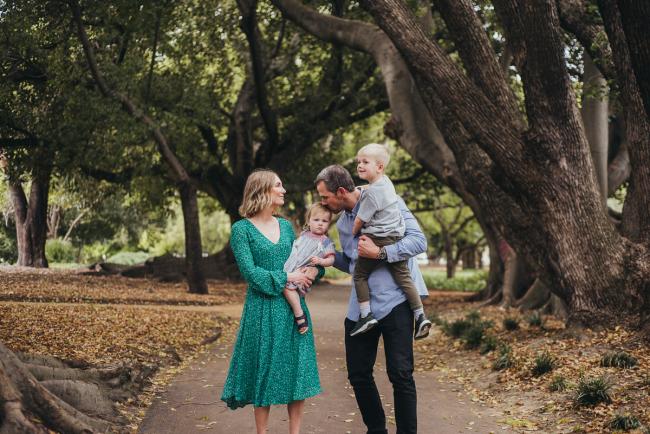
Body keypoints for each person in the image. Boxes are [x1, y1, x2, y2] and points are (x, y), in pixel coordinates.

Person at [315, 164, 428, 434]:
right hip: (362, 309)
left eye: (325, 197)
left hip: (396, 301)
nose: (322, 203)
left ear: (341, 192)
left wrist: (380, 253)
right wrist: (330, 258)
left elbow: (418, 242)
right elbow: (354, 263)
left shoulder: (389, 201)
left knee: (400, 374)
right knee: (358, 373)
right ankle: (376, 430)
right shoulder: (343, 223)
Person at [221, 169, 322, 434]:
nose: (283, 190)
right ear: (263, 190)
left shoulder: (287, 227)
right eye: (278, 185)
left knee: (297, 371)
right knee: (263, 370)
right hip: (261, 309)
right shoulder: (241, 229)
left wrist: (313, 272)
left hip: (293, 310)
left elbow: (307, 256)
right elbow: (250, 273)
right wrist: (287, 276)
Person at [350, 144, 432, 339]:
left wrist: (355, 232)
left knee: (360, 275)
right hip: (395, 237)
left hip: (377, 239)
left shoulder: (370, 195)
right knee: (404, 278)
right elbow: (374, 190)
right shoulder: (387, 184)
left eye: (365, 162)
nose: (360, 165)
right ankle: (420, 315)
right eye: (358, 162)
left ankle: (365, 315)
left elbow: (361, 219)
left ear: (379, 167)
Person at [283, 203, 336, 334]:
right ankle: (296, 313)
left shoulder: (325, 241)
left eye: (324, 221)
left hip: (304, 272)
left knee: (287, 288)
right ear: (309, 221)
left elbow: (331, 259)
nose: (320, 224)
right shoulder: (304, 234)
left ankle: (299, 314)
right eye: (316, 220)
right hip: (292, 268)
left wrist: (321, 261)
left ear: (329, 223)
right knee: (284, 285)